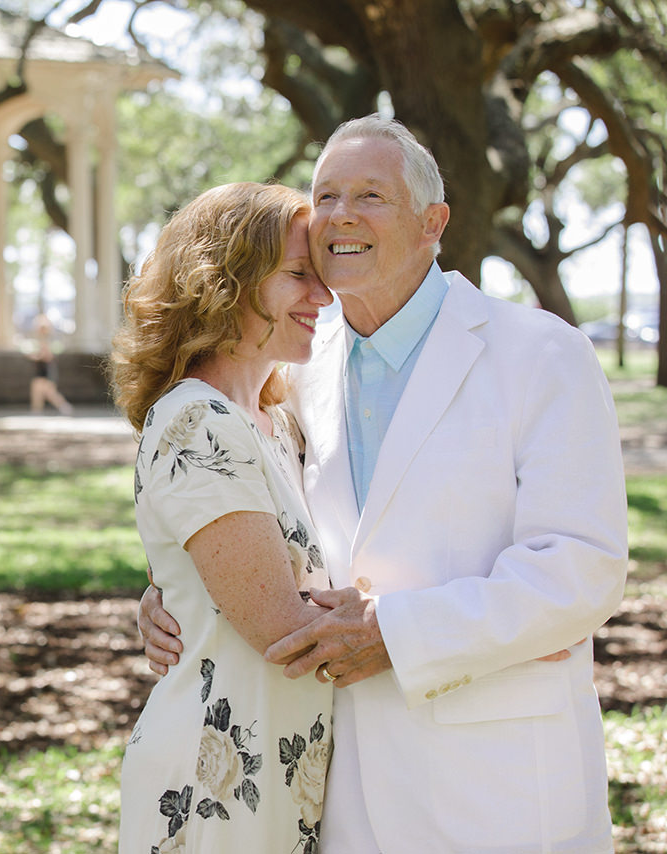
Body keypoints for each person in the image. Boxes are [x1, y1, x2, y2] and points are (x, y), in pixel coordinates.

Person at [138, 114, 628, 853]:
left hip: (501, 779)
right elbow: (243, 512)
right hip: (344, 785)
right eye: (326, 195)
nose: (340, 215)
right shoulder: (294, 369)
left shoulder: (541, 353)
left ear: (433, 222)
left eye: (371, 196)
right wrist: (174, 593)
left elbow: (582, 569)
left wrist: (400, 632)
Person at [110, 181, 335, 853]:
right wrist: (455, 622)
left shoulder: (277, 418)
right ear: (226, 282)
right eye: (299, 275)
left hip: (279, 771)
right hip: (218, 785)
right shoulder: (194, 419)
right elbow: (282, 628)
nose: (322, 297)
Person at [29, 313, 73, 414]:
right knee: (37, 390)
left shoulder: (49, 340)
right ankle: (37, 410)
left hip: (46, 369)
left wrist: (38, 356)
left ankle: (64, 407)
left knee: (49, 392)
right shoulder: (39, 340)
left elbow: (48, 357)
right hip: (40, 369)